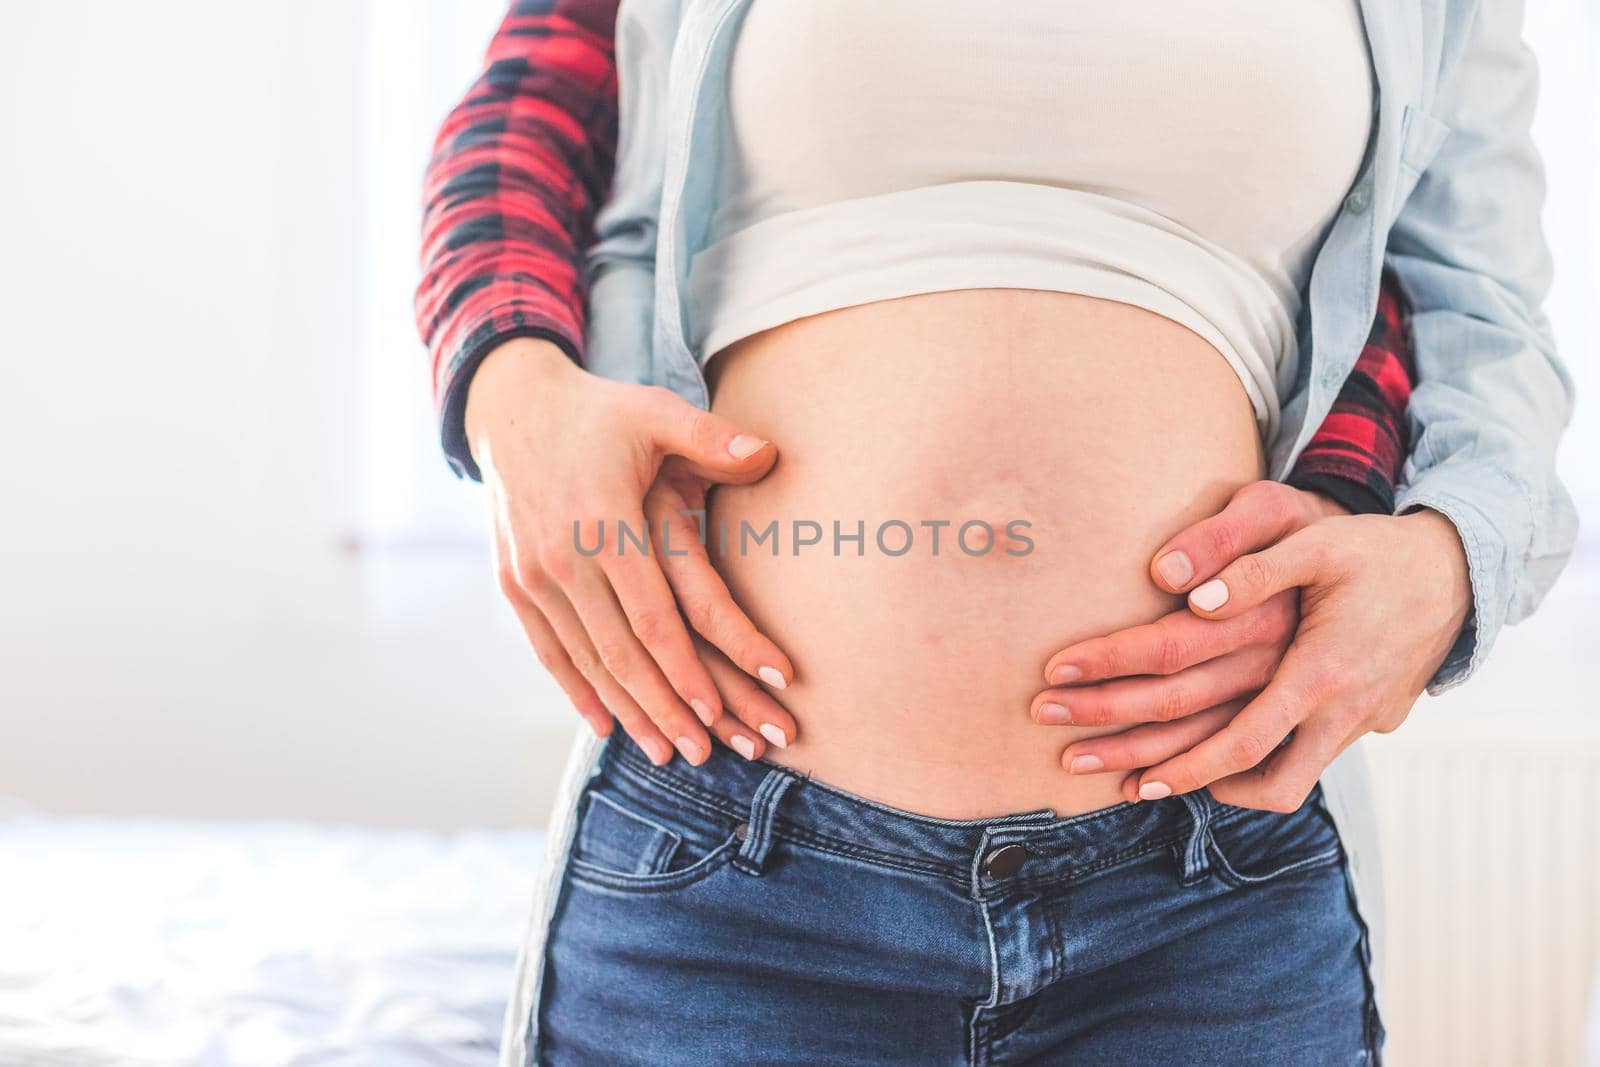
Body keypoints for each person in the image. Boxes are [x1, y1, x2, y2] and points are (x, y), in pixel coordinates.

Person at [415, 2, 1577, 1063]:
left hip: (1204, 890)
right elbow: (531, 115)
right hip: (726, 858)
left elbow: (1479, 312)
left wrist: (1447, 559)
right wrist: (508, 389)